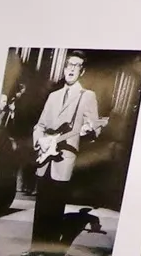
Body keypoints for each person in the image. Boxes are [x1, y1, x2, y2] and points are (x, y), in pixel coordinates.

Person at [29, 51, 107, 241]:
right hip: (45, 155)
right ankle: (34, 248)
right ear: (64, 69)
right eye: (69, 65)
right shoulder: (53, 96)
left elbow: (95, 127)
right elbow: (39, 126)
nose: (71, 69)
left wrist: (89, 130)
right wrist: (40, 140)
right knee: (41, 206)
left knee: (55, 206)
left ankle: (49, 250)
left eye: (76, 65)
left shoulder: (87, 96)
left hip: (64, 158)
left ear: (82, 71)